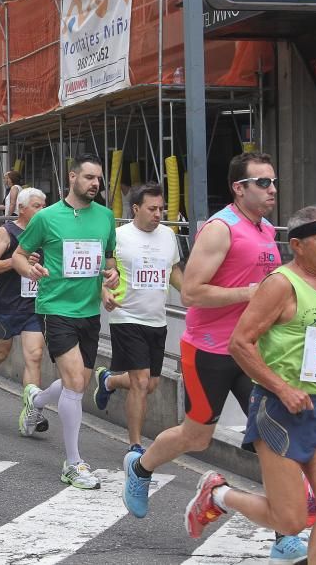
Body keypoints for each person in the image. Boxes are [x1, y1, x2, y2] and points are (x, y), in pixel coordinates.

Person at [120, 153, 309, 563]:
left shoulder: (264, 230)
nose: (272, 188)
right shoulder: (220, 229)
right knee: (196, 437)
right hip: (209, 349)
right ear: (239, 188)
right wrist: (251, 293)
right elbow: (190, 292)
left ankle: (284, 537)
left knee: (275, 443)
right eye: (263, 182)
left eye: (273, 181)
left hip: (253, 354)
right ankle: (140, 467)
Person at [185, 207, 316, 565]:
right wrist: (283, 388)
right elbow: (240, 343)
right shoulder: (280, 284)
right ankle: (220, 495)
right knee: (290, 520)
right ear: (297, 245)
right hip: (277, 409)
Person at [14, 154, 118, 490]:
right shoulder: (46, 218)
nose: (94, 184)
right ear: (72, 177)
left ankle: (37, 401)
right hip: (55, 307)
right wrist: (28, 268)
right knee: (74, 381)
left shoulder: (105, 217)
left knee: (79, 383)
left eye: (98, 179)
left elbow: (110, 258)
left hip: (89, 311)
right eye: (88, 177)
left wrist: (111, 276)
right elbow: (19, 254)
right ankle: (73, 463)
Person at [93, 183, 184, 453]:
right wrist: (103, 293)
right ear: (136, 209)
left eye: (161, 208)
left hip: (157, 319)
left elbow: (173, 270)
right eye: (152, 208)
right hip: (125, 315)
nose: (159, 213)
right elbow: (98, 268)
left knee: (150, 384)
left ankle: (108, 380)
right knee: (141, 381)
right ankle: (135, 446)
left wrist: (190, 292)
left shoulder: (168, 235)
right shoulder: (118, 236)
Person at [0, 187, 49, 435]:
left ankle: (33, 412)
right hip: (7, 305)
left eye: (44, 205)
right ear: (22, 208)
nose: (43, 210)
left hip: (33, 305)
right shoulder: (7, 232)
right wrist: (17, 261)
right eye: (37, 206)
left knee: (35, 356)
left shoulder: (47, 232)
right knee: (0, 353)